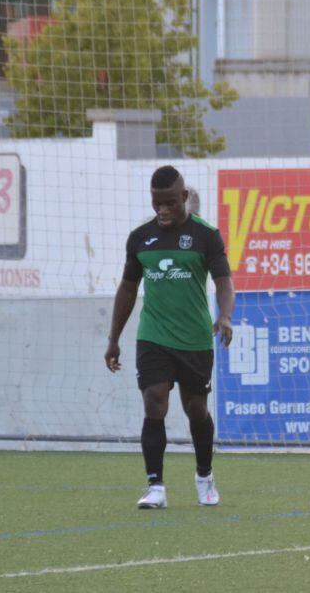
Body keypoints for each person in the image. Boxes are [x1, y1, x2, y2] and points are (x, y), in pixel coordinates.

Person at [104, 166, 235, 508]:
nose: (162, 210)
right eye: (156, 203)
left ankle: (204, 475)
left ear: (184, 197)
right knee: (154, 400)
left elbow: (224, 281)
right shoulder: (140, 238)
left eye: (169, 203)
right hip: (154, 335)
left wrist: (225, 315)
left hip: (194, 339)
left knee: (196, 409)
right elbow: (127, 289)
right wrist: (113, 338)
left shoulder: (206, 235)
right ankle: (156, 487)